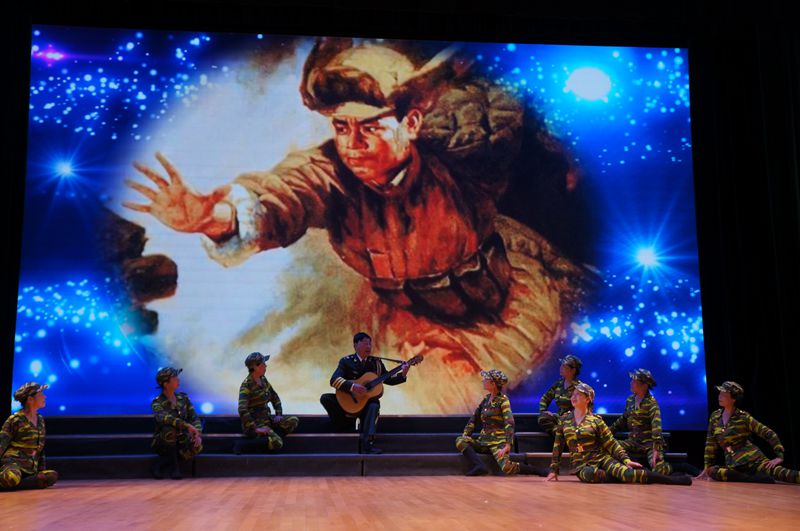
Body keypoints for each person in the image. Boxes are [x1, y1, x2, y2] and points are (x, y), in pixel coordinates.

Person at [123, 38, 587, 414]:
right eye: (342, 127)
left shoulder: (465, 148)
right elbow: (285, 193)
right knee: (434, 400)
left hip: (505, 303)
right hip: (408, 325)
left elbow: (522, 129)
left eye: (369, 127)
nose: (353, 144)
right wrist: (215, 217)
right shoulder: (330, 173)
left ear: (411, 122)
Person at [547, 382, 691, 485]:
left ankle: (672, 480)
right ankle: (622, 476)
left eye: (578, 394)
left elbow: (611, 443)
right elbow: (558, 445)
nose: (573, 397)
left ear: (588, 399)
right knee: (590, 474)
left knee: (628, 473)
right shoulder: (564, 420)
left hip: (601, 458)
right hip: (582, 464)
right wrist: (554, 470)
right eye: (573, 394)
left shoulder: (596, 421)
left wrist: (626, 460)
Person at [320, 332, 409, 454]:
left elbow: (388, 379)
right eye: (365, 343)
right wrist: (353, 386)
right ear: (355, 345)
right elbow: (334, 380)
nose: (368, 346)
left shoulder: (376, 363)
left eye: (370, 344)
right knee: (325, 398)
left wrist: (403, 373)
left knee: (374, 405)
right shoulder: (346, 361)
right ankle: (345, 425)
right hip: (349, 400)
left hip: (366, 404)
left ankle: (368, 444)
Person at [697, 381, 799, 484]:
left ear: (733, 399)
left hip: (754, 461)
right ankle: (752, 478)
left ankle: (754, 476)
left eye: (724, 395)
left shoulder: (744, 417)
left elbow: (769, 433)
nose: (720, 396)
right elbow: (710, 444)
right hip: (734, 465)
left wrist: (779, 456)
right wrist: (706, 467)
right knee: (713, 472)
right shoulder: (715, 417)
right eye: (720, 393)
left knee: (786, 474)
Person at [456, 369, 546, 476]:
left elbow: (509, 422)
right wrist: (466, 434)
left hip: (498, 443)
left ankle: (536, 470)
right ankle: (479, 466)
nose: (483, 381)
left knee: (507, 467)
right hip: (484, 442)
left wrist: (508, 445)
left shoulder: (503, 400)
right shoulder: (486, 399)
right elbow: (474, 419)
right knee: (460, 440)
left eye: (486, 379)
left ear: (493, 384)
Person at [609, 368, 671, 475]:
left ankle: (674, 468)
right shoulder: (630, 400)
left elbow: (656, 425)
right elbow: (623, 420)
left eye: (635, 381)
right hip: (633, 442)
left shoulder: (651, 402)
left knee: (659, 469)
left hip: (649, 444)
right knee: (609, 447)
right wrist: (607, 433)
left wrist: (656, 448)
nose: (631, 383)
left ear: (644, 385)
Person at [237, 352, 300, 453]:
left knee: (293, 420)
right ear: (255, 367)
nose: (266, 366)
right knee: (277, 443)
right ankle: (244, 445)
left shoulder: (263, 380)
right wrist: (255, 428)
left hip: (267, 419)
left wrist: (278, 414)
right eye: (263, 364)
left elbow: (274, 397)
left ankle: (269, 438)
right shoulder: (246, 386)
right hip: (256, 424)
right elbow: (242, 409)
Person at [0, 383, 58, 490]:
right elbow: (1, 444)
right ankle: (14, 482)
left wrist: (41, 469)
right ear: (30, 399)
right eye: (41, 394)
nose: (44, 397)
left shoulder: (40, 419)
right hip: (13, 464)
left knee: (51, 476)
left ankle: (17, 484)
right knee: (12, 477)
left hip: (30, 468)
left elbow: (40, 448)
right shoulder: (16, 419)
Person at [151, 367, 203, 479]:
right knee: (169, 430)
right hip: (164, 441)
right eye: (174, 378)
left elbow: (194, 417)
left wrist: (197, 432)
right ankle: (175, 469)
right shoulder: (157, 402)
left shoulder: (183, 398)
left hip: (182, 438)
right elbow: (165, 418)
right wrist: (186, 425)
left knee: (197, 446)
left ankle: (162, 463)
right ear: (165, 384)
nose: (178, 380)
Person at [538, 354, 583, 434]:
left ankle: (562, 434)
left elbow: (586, 409)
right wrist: (543, 411)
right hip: (560, 418)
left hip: (572, 421)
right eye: (561, 366)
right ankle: (559, 433)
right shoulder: (559, 384)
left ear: (573, 370)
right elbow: (545, 398)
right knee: (543, 418)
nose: (561, 368)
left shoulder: (580, 388)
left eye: (564, 367)